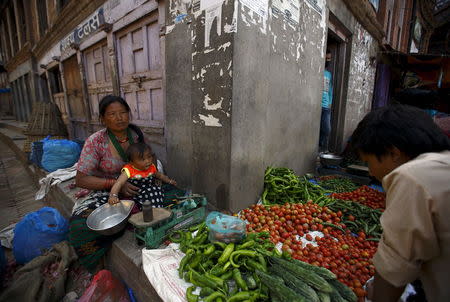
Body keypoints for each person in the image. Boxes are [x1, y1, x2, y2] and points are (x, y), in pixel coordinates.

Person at [350, 104, 450, 302]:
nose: (370, 172)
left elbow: (394, 268)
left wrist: (376, 295)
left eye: (368, 162)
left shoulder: (412, 177)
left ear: (393, 153)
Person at [69, 95, 146, 271]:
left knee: (172, 199)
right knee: (80, 226)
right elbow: (81, 179)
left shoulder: (137, 135)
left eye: (123, 113)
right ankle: (97, 265)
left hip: (135, 187)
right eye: (112, 114)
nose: (119, 118)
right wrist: (114, 184)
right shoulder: (96, 141)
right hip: (105, 190)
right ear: (103, 119)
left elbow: (148, 160)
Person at [108, 142, 177, 207]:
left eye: (149, 157)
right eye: (142, 159)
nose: (147, 161)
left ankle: (155, 210)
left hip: (149, 192)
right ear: (131, 162)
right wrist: (113, 195)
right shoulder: (129, 170)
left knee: (157, 191)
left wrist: (169, 181)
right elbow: (119, 183)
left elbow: (160, 175)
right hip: (135, 194)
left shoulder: (151, 167)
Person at [319, 49, 333, 153]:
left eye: (329, 59)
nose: (328, 60)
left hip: (326, 106)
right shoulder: (318, 71)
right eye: (326, 58)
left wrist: (330, 102)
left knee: (326, 129)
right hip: (316, 105)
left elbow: (330, 90)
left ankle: (321, 147)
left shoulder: (328, 74)